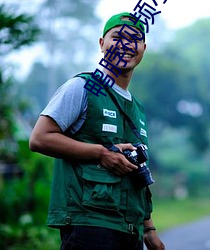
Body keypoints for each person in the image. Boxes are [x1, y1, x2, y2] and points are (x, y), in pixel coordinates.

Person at [29, 12, 165, 250]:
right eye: (117, 37)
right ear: (102, 44)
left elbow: (137, 170)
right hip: (89, 225)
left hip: (130, 229)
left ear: (143, 47)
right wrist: (102, 153)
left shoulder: (138, 108)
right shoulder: (82, 87)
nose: (125, 45)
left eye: (134, 39)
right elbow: (40, 138)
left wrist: (149, 228)